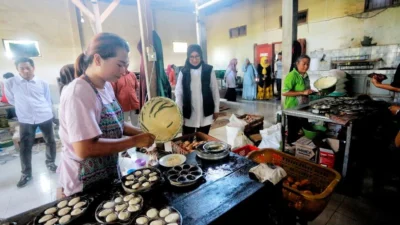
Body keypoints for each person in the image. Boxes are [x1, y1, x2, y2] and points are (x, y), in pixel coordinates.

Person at [58, 33, 155, 197]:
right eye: (120, 65)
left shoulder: (106, 86)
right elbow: (84, 148)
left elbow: (116, 123)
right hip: (84, 181)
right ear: (97, 59)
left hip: (106, 170)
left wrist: (142, 133)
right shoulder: (78, 92)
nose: (124, 71)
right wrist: (134, 141)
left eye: (126, 65)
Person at [5, 57, 57, 188]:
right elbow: (11, 100)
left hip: (44, 115)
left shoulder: (42, 82)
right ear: (17, 69)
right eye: (22, 68)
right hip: (26, 119)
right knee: (25, 147)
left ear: (33, 68)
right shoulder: (11, 83)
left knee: (50, 141)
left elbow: (46, 99)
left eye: (28, 67)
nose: (25, 70)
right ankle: (26, 173)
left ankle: (50, 163)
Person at [175, 44, 220, 135]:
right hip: (189, 112)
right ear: (188, 57)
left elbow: (214, 90)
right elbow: (179, 93)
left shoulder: (208, 70)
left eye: (197, 56)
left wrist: (216, 109)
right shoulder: (183, 72)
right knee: (187, 139)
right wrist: (179, 113)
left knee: (202, 139)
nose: (194, 60)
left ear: (200, 56)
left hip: (205, 111)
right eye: (191, 57)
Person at [282, 55, 313, 143]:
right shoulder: (292, 76)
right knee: (293, 130)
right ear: (297, 64)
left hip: (303, 106)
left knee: (303, 127)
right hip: (293, 107)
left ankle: (301, 145)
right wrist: (302, 92)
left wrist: (312, 92)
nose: (306, 66)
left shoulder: (306, 76)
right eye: (304, 64)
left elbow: (306, 89)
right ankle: (290, 147)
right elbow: (285, 92)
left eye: (308, 64)